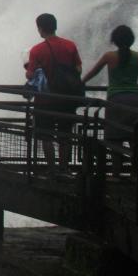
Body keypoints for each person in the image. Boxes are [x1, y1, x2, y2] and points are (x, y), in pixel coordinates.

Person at [81, 24, 138, 175]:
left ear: (114, 41)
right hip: (134, 100)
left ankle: (116, 174)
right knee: (134, 139)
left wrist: (81, 83)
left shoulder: (109, 56)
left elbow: (93, 72)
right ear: (131, 39)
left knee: (114, 139)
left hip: (115, 100)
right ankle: (136, 174)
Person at [24, 13, 82, 173]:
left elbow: (30, 74)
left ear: (40, 29)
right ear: (55, 26)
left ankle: (52, 168)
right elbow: (78, 69)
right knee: (65, 135)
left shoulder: (37, 50)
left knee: (45, 135)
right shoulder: (70, 46)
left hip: (45, 100)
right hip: (66, 98)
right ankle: (64, 167)